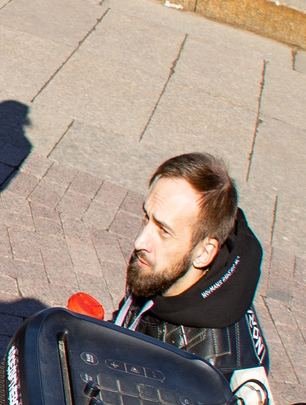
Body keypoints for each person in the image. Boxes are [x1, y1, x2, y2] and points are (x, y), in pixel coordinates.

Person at [109, 152, 268, 384]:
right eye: (147, 217)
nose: (140, 242)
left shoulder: (203, 368)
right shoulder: (161, 267)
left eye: (164, 231)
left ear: (204, 253)